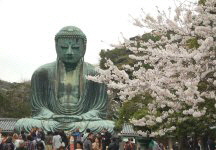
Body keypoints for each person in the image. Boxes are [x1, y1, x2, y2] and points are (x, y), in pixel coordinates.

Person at [15, 26, 114, 133]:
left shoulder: (96, 74)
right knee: (22, 124)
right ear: (56, 47)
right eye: (63, 47)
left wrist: (82, 117)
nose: (69, 52)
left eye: (75, 48)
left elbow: (99, 110)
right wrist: (53, 116)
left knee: (110, 126)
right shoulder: (42, 72)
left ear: (84, 48)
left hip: (83, 121)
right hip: (53, 121)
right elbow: (38, 109)